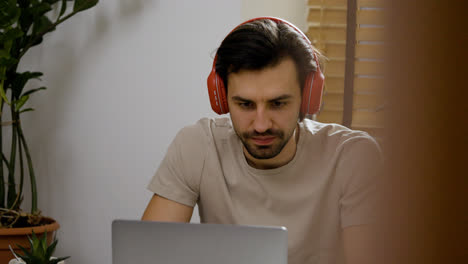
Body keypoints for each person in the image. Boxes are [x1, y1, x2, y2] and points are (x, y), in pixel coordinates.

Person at [142, 17, 381, 264]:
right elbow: (147, 257)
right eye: (245, 104)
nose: (261, 125)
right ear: (222, 99)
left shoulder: (352, 157)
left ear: (307, 97)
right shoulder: (198, 145)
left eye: (278, 103)